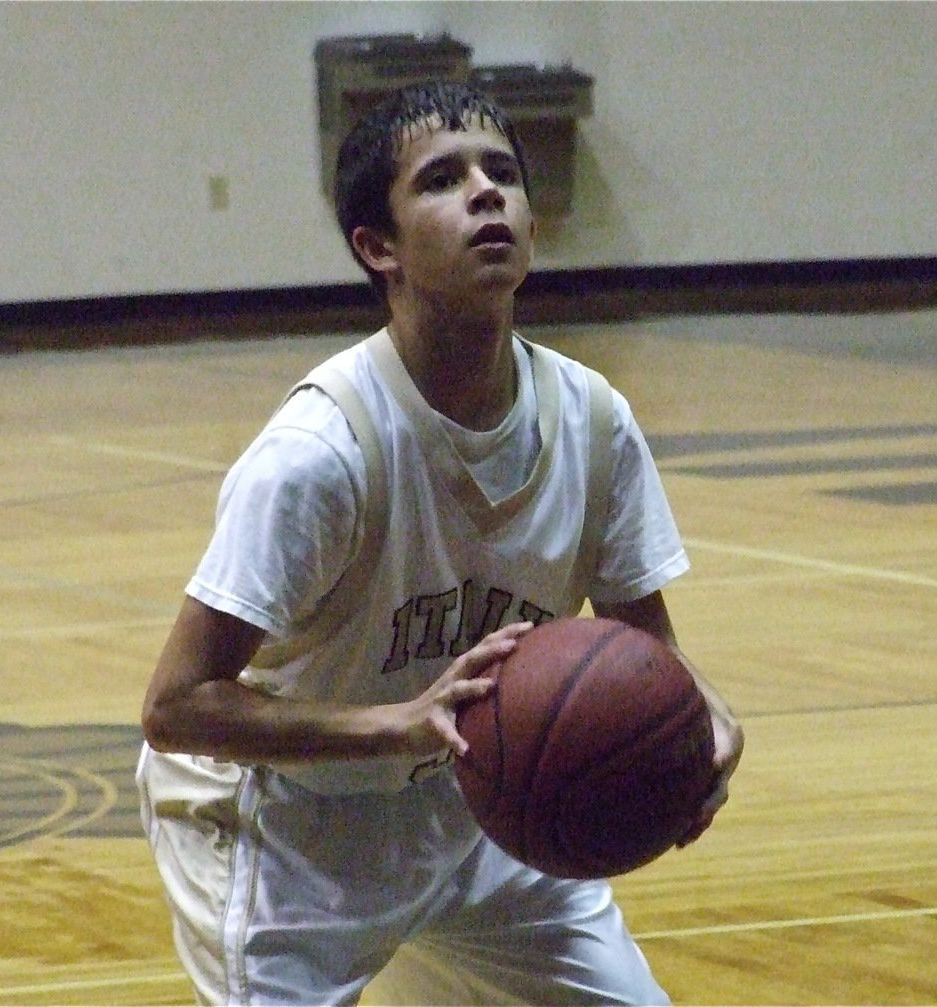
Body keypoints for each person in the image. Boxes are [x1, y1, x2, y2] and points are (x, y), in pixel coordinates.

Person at [136, 79, 743, 1006]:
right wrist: (394, 724)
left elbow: (645, 645)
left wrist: (702, 721)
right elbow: (176, 708)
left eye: (502, 173)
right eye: (442, 180)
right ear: (377, 247)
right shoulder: (319, 454)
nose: (485, 193)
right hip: (288, 828)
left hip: (484, 810)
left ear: (535, 229)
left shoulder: (594, 421)